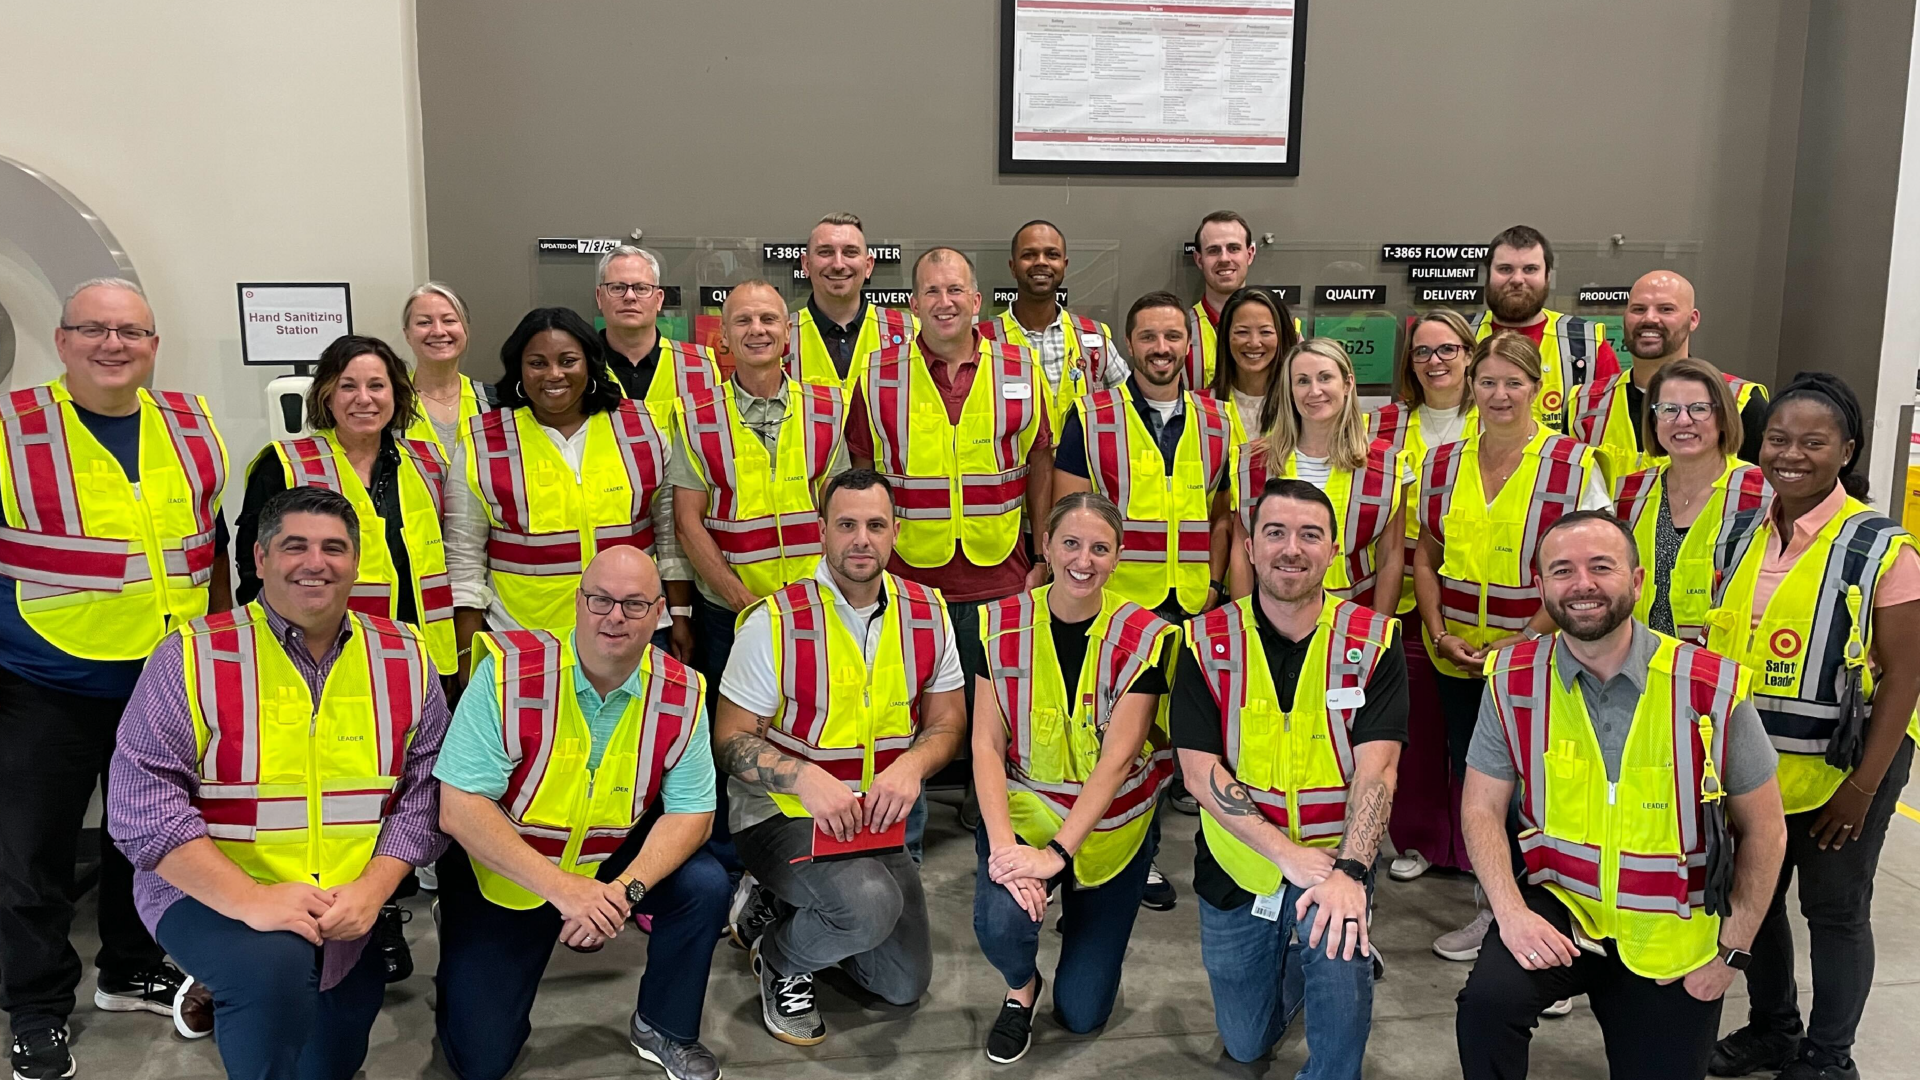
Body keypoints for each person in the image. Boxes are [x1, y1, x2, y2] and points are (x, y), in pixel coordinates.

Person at [109, 487, 448, 1080]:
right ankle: (232, 975)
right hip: (211, 890)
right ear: (261, 560)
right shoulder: (193, 654)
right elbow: (142, 810)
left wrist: (372, 889)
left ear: (357, 561)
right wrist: (254, 902)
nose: (315, 563)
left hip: (347, 896)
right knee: (273, 974)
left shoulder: (405, 655)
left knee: (334, 1055)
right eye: (295, 546)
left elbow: (426, 790)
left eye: (333, 548)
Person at [1454, 510, 1787, 1080]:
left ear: (1636, 582)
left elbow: (1766, 831)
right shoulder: (1511, 678)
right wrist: (1509, 915)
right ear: (1542, 587)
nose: (1581, 584)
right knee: (1487, 1007)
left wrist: (1730, 955)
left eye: (1600, 567)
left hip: (1669, 930)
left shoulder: (1709, 686)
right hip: (1561, 906)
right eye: (1562, 570)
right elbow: (1480, 809)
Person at [0, 278, 231, 1079]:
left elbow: (214, 550)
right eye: (93, 330)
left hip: (163, 679)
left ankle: (130, 969)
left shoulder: (192, 427)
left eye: (130, 332)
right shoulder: (11, 429)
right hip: (42, 679)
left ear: (153, 346)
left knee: (150, 839)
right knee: (32, 852)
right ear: (61, 341)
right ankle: (34, 1004)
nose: (113, 345)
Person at [434, 547, 728, 1080]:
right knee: (479, 1063)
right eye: (600, 600)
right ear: (577, 602)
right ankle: (459, 927)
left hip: (607, 865)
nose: (614, 616)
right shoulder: (506, 674)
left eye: (634, 604)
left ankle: (665, 1026)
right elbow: (458, 808)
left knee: (704, 885)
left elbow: (694, 814)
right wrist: (564, 890)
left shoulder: (683, 692)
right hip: (508, 872)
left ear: (659, 612)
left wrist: (623, 897)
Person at [1703, 374, 1920, 1080]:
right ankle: (1773, 1030)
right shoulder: (1740, 533)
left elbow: (1905, 679)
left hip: (1841, 775)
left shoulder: (1884, 548)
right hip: (1752, 769)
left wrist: (1861, 788)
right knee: (1758, 906)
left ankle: (1830, 1058)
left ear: (1847, 450)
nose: (1791, 454)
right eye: (1779, 439)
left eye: (1813, 441)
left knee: (1834, 913)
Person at [711, 470, 967, 1046]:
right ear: (821, 531)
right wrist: (803, 779)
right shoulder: (773, 620)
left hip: (871, 826)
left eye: (876, 525)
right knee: (869, 905)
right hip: (781, 817)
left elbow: (948, 723)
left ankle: (782, 907)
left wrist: (913, 766)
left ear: (895, 532)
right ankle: (779, 956)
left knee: (903, 984)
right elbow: (728, 739)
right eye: (846, 524)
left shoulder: (928, 611)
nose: (861, 539)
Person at [1174, 477, 1407, 1071]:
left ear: (1333, 550)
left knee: (1336, 976)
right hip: (1238, 864)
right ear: (1250, 548)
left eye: (1310, 535)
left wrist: (1349, 874)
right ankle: (1305, 955)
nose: (1292, 549)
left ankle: (1342, 954)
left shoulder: (1375, 642)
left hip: (1335, 862)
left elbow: (1377, 773)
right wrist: (1286, 857)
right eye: (1275, 533)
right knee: (1247, 1043)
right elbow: (1200, 774)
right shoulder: (1204, 639)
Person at [1413, 331, 1608, 974]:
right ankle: (1495, 910)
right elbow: (1428, 555)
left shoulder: (1573, 465)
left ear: (1536, 388)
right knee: (1482, 791)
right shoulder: (1443, 462)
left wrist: (1525, 640)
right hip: (1458, 659)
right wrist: (1439, 631)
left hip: (1540, 663)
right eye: (1488, 382)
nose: (1499, 395)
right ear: (1473, 385)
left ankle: (1558, 927)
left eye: (1513, 383)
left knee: (1540, 791)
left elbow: (1586, 570)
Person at [970, 492, 1175, 1062]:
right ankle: (1020, 991)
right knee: (1002, 921)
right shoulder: (996, 624)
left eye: (1100, 548)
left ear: (1118, 557)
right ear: (1047, 546)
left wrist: (1057, 855)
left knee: (1082, 1014)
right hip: (1025, 814)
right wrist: (1008, 850)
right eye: (1071, 543)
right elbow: (986, 744)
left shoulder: (1145, 638)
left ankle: (1088, 930)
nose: (1084, 560)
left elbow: (1116, 761)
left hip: (1113, 829)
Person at [845, 247, 1051, 723]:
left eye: (955, 289)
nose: (945, 301)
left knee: (998, 713)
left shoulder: (1020, 369)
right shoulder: (877, 376)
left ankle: (989, 801)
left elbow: (1040, 462)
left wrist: (1041, 557)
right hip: (907, 577)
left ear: (977, 300)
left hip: (1002, 575)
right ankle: (902, 799)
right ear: (913, 305)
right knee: (904, 710)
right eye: (932, 291)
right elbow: (861, 475)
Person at [445, 307, 674, 677]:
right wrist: (466, 645)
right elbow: (463, 556)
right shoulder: (482, 440)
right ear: (519, 368)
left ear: (590, 363)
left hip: (632, 633)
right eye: (537, 362)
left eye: (568, 361)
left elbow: (669, 536)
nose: (554, 374)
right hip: (524, 637)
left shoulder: (641, 429)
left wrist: (680, 617)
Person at [237, 334, 456, 680]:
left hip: (423, 659)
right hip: (314, 657)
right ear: (326, 393)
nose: (364, 399)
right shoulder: (284, 465)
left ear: (396, 394)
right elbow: (252, 572)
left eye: (377, 386)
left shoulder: (431, 464)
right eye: (348, 386)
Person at [1367, 308, 1477, 879]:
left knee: (1478, 733)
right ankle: (1421, 840)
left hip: (1476, 595)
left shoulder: (1494, 416)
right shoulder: (1386, 424)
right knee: (1419, 724)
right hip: (1405, 594)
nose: (1435, 362)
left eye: (1447, 349)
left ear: (1469, 353)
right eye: (1422, 352)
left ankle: (1477, 844)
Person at [1054, 290, 1234, 621]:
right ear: (1129, 344)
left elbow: (1222, 516)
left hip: (1194, 607)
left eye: (1173, 336)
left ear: (1188, 345)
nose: (1161, 348)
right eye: (1148, 337)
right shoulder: (1089, 417)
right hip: (1111, 607)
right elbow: (1065, 521)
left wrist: (1213, 584)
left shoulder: (1218, 422)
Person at [1228, 338, 1403, 617]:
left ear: (1347, 384)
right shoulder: (1251, 461)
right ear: (1289, 390)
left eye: (1325, 378)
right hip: (1271, 621)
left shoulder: (1389, 464)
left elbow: (1391, 557)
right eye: (1302, 381)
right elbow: (1241, 551)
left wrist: (1378, 630)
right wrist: (1245, 626)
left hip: (1353, 618)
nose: (1315, 391)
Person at [1612, 358, 1769, 642]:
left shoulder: (1763, 494)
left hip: (1725, 673)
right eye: (1669, 409)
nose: (1683, 421)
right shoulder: (1627, 494)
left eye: (1699, 409)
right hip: (1640, 670)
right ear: (1654, 419)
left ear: (1723, 417)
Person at [1570, 270, 1768, 487]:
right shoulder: (1582, 405)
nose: (1649, 318)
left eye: (1666, 309)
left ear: (1693, 320)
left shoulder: (1741, 402)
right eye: (1638, 309)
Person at [979, 219, 1129, 435]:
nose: (1041, 262)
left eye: (1052, 255)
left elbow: (1129, 405)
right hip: (1017, 468)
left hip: (1079, 468)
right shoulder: (983, 339)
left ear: (1064, 266)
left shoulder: (1094, 337)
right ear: (1012, 267)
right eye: (1029, 255)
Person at [1471, 225, 1622, 431]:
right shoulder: (1457, 338)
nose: (1517, 279)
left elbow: (1611, 426)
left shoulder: (1588, 344)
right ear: (1488, 275)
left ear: (1548, 276)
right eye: (1505, 269)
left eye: (1530, 269)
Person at [785, 212, 915, 394]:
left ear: (868, 266)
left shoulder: (912, 332)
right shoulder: (780, 337)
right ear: (806, 265)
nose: (838, 264)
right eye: (825, 252)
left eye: (850, 252)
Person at [593, 244, 722, 426]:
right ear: (599, 297)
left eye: (641, 288)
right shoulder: (579, 365)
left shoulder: (701, 365)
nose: (629, 296)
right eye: (617, 287)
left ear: (659, 299)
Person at [400, 282, 495, 454]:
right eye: (424, 322)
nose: (438, 331)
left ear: (465, 329)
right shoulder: (390, 402)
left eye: (449, 320)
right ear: (407, 334)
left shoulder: (495, 402)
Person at [1207, 285, 1301, 440]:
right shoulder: (1199, 407)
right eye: (1242, 332)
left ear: (1282, 336)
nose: (1254, 343)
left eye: (1266, 332)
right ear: (1226, 336)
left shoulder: (1302, 405)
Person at [1185, 210, 1257, 390]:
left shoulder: (1283, 327)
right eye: (1214, 250)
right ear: (1199, 259)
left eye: (1233, 248)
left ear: (1250, 254)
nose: (1224, 258)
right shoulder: (1180, 331)